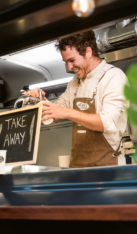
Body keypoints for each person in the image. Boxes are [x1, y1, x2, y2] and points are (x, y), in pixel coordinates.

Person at [26, 31, 127, 168]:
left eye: (72, 60)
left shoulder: (113, 76)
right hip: (78, 167)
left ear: (88, 52)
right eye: (66, 62)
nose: (69, 67)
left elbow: (106, 122)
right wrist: (40, 101)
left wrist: (66, 112)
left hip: (107, 168)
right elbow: (53, 114)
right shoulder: (74, 83)